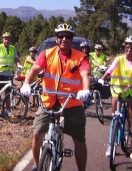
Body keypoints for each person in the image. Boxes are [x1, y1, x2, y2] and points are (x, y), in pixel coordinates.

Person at [20, 23, 91, 171]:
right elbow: (35, 69)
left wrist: (85, 89)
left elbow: (86, 75)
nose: (64, 39)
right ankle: (36, 164)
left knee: (79, 139)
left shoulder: (81, 58)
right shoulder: (47, 54)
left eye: (68, 36)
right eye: (61, 36)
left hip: (72, 102)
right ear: (56, 38)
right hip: (49, 100)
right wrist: (26, 83)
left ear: (71, 39)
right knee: (37, 134)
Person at [98, 35, 132, 160]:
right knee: (115, 117)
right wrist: (102, 79)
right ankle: (110, 144)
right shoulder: (119, 59)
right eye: (127, 47)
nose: (129, 49)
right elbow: (110, 70)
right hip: (117, 90)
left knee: (131, 120)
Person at [0, 32, 23, 115]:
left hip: (9, 74)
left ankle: (8, 110)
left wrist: (18, 64)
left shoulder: (12, 48)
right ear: (3, 39)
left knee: (8, 92)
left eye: (8, 39)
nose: (7, 40)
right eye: (5, 38)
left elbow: (16, 58)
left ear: (10, 40)